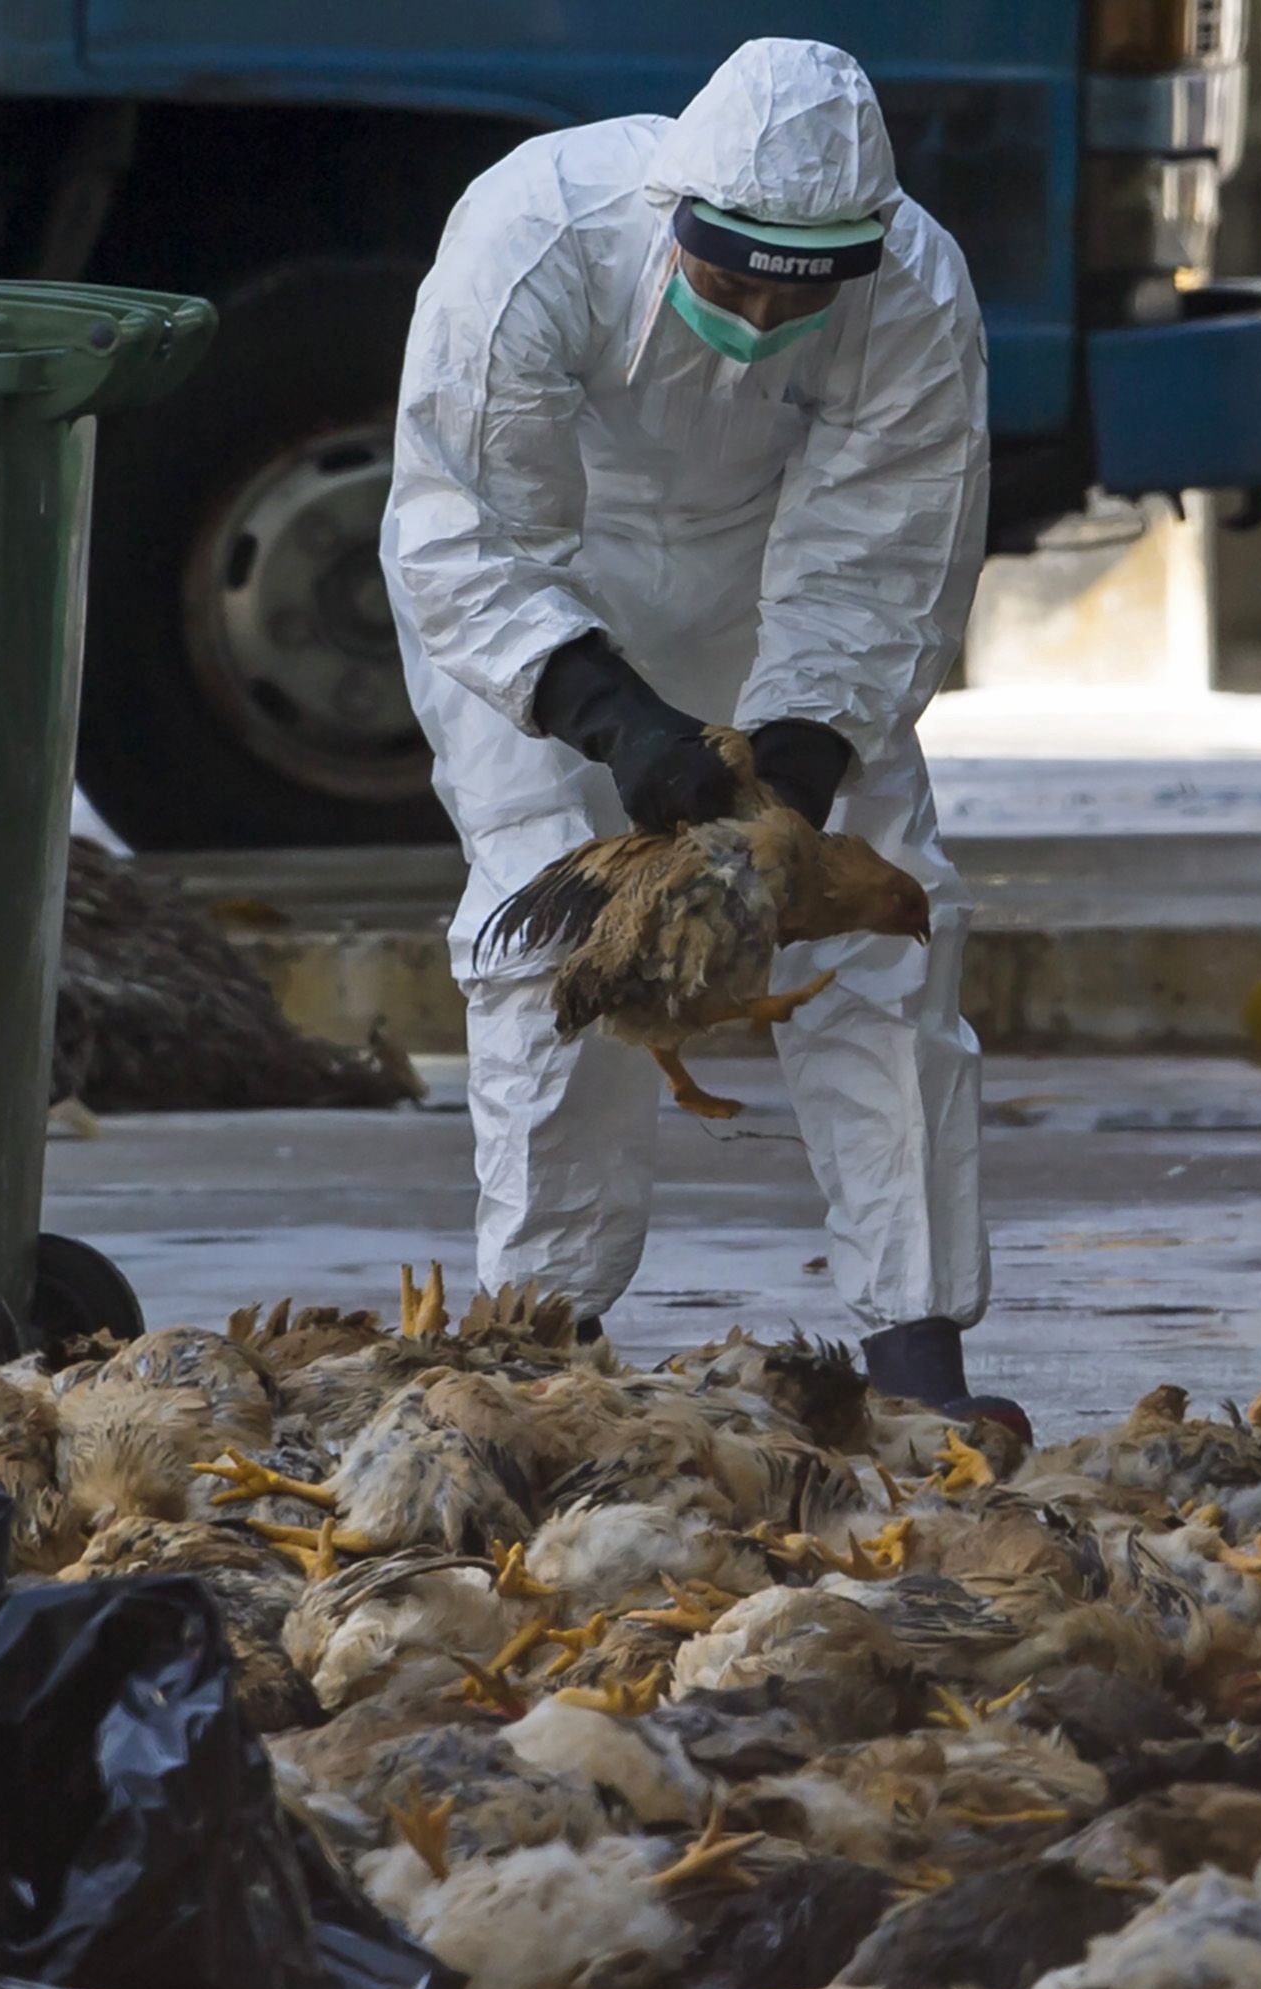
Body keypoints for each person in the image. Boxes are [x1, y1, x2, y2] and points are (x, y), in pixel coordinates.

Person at [383, 37, 1013, 1429]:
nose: (758, 314)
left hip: (776, 601)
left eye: (797, 294)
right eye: (728, 282)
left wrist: (797, 756)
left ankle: (918, 1356)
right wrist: (607, 715)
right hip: (546, 613)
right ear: (678, 215)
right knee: (548, 949)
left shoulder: (909, 284)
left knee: (883, 940)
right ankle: (545, 1350)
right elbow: (466, 529)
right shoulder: (534, 233)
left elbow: (886, 541)